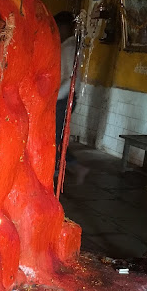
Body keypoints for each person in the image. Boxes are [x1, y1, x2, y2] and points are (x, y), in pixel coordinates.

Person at [54, 11, 90, 185]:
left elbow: (71, 79)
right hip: (63, 96)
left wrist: (55, 98)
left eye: (58, 28)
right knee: (57, 136)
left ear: (65, 27)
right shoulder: (67, 46)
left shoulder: (69, 48)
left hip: (64, 97)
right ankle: (65, 168)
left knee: (56, 136)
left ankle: (66, 169)